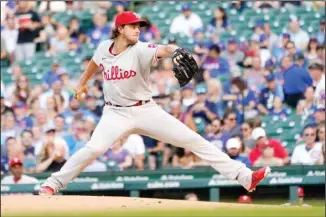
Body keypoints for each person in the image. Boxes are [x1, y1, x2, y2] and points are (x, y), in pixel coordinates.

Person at [39, 11, 270, 195]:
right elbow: (94, 63)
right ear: (120, 29)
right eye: (132, 26)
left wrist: (175, 50)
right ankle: (53, 184)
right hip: (115, 113)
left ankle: (245, 177)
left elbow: (163, 49)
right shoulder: (103, 48)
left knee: (193, 139)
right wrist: (81, 84)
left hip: (146, 110)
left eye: (139, 26)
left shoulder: (140, 50)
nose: (138, 29)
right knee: (94, 148)